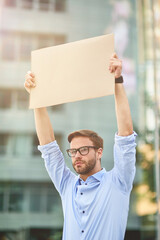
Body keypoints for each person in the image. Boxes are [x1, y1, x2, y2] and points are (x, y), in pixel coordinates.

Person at [24, 53, 137, 240]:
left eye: (83, 150)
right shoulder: (67, 185)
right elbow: (48, 146)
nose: (76, 155)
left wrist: (117, 80)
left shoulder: (118, 182)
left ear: (99, 152)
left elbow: (126, 136)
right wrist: (37, 97)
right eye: (73, 151)